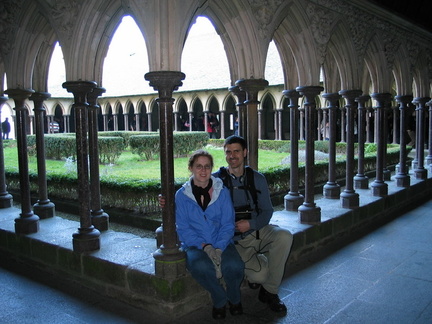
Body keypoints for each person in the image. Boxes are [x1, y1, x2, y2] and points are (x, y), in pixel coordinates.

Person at [213, 135, 293, 314]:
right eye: (228, 152)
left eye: (236, 151)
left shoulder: (257, 178)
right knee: (261, 274)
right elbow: (190, 191)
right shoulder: (216, 180)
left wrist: (251, 224)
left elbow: (267, 211)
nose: (232, 156)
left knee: (284, 236)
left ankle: (270, 292)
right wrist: (167, 199)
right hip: (235, 242)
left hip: (257, 230)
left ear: (245, 153)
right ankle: (259, 269)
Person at [175, 149, 244, 320]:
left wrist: (219, 247)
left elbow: (228, 223)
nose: (203, 170)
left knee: (235, 266)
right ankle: (220, 299)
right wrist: (204, 246)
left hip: (222, 242)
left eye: (207, 166)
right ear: (190, 168)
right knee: (201, 267)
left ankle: (234, 298)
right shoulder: (182, 196)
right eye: (199, 166)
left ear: (211, 168)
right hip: (195, 245)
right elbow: (183, 228)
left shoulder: (222, 191)